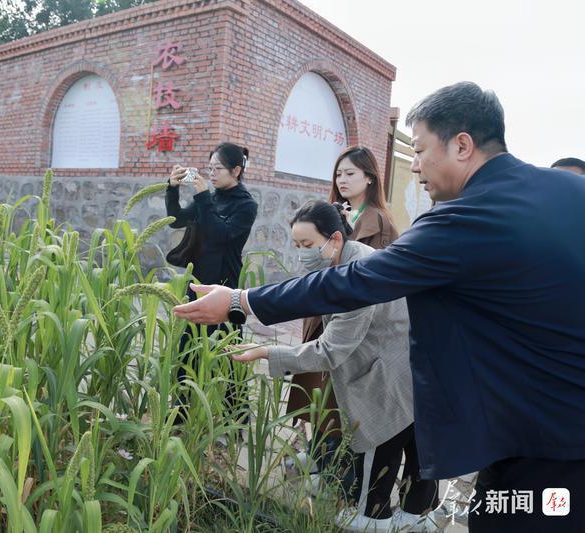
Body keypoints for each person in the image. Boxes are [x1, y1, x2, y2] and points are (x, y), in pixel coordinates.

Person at [173, 82, 585, 532]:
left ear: (462, 145)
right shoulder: (570, 190)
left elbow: (356, 281)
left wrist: (241, 300)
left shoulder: (466, 218)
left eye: (421, 150)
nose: (416, 165)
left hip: (537, 441)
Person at [235, 200, 437, 531]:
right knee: (417, 448)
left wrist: (267, 352)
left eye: (308, 244)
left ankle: (373, 518)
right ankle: (419, 515)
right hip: (408, 363)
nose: (303, 253)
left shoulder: (358, 276)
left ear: (335, 239)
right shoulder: (350, 259)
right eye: (297, 245)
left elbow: (330, 350)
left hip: (388, 373)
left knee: (379, 450)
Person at [287, 146, 400, 470]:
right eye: (339, 173)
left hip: (356, 325)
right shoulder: (330, 211)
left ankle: (336, 467)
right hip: (322, 317)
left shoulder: (380, 222)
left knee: (342, 400)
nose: (342, 180)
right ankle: (319, 456)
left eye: (350, 173)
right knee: (319, 394)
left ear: (370, 177)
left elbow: (376, 279)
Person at [166, 142, 258, 423]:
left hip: (225, 286)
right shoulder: (210, 197)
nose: (212, 174)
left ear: (236, 171)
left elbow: (221, 234)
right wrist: (172, 188)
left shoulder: (246, 205)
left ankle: (236, 416)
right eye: (209, 168)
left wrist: (204, 196)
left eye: (218, 168)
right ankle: (180, 412)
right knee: (188, 345)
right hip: (197, 280)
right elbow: (176, 220)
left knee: (228, 349)